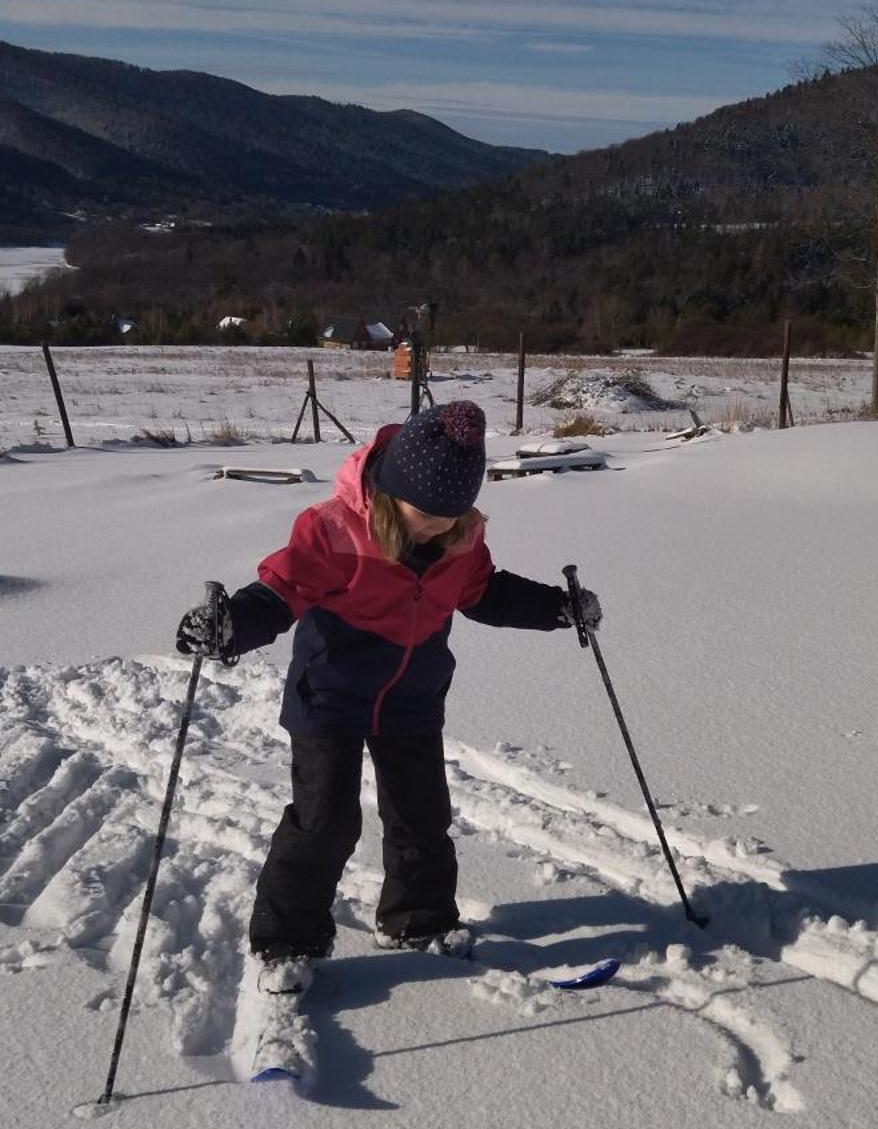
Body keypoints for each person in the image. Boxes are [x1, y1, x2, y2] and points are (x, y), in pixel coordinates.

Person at [174, 400, 601, 983]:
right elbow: (279, 591)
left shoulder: (461, 540)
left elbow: (484, 594)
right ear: (387, 491)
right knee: (324, 822)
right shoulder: (331, 529)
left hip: (413, 698)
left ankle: (417, 920)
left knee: (422, 816)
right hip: (330, 696)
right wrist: (231, 626)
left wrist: (557, 607)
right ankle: (286, 943)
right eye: (422, 512)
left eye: (449, 515)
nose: (435, 526)